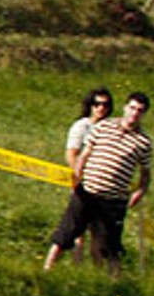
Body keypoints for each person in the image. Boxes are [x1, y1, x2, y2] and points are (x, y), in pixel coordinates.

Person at [45, 92, 152, 272]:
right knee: (64, 235)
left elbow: (146, 173)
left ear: (144, 114)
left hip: (113, 200)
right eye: (132, 108)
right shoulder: (104, 126)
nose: (134, 113)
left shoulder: (143, 143)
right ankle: (46, 271)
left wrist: (140, 191)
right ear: (125, 108)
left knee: (110, 247)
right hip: (87, 192)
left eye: (139, 111)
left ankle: (113, 283)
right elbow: (85, 154)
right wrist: (77, 177)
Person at [44, 87, 112, 267]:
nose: (101, 108)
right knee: (77, 230)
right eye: (97, 104)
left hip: (102, 185)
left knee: (97, 231)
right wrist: (79, 176)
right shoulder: (82, 127)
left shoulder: (110, 127)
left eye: (105, 105)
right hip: (83, 182)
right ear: (90, 105)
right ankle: (77, 265)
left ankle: (97, 269)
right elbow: (71, 154)